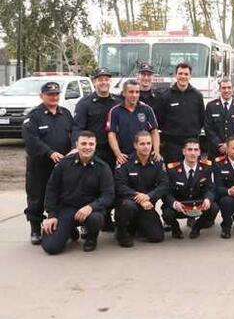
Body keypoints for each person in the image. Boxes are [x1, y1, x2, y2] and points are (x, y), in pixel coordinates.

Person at [40, 131, 115, 254]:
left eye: (91, 144)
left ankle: (91, 238)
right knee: (51, 247)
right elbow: (52, 189)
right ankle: (69, 231)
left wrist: (91, 207)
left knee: (95, 219)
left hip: (91, 211)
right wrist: (51, 215)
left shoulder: (103, 167)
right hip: (67, 208)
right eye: (83, 143)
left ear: (95, 145)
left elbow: (108, 195)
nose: (87, 147)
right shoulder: (64, 164)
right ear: (77, 145)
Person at [22, 81, 74, 245]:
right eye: (50, 94)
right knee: (37, 196)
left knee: (63, 196)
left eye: (56, 94)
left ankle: (66, 227)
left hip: (62, 165)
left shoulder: (65, 113)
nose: (54, 97)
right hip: (40, 166)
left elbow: (73, 134)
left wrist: (74, 149)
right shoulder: (33, 116)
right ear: (42, 96)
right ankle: (36, 229)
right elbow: (31, 140)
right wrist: (49, 152)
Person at [72, 67, 121, 231]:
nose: (104, 82)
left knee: (112, 186)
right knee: (91, 187)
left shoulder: (118, 101)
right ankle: (87, 223)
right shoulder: (84, 104)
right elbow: (77, 128)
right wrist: (76, 148)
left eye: (106, 79)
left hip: (113, 151)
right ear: (94, 82)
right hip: (93, 152)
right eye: (100, 79)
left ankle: (107, 218)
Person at [114, 130, 169, 247]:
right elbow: (119, 186)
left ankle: (138, 226)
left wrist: (148, 196)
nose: (146, 147)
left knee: (157, 237)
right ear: (135, 145)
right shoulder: (125, 162)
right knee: (128, 206)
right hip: (129, 203)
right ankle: (122, 232)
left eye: (149, 143)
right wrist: (138, 196)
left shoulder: (158, 162)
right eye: (142, 144)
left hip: (147, 204)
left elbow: (164, 185)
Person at [162, 138, 219, 239]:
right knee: (167, 213)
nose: (193, 153)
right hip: (180, 206)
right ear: (184, 151)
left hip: (198, 205)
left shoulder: (206, 168)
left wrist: (207, 199)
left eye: (196, 150)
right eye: (189, 150)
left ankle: (197, 227)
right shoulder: (172, 169)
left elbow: (210, 188)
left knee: (214, 207)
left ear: (199, 152)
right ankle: (175, 229)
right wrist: (174, 203)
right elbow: (166, 193)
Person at [156, 62, 205, 164]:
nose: (183, 76)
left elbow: (201, 119)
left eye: (186, 74)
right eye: (180, 73)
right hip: (172, 145)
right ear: (176, 75)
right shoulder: (166, 96)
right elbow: (160, 120)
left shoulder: (197, 96)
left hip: (192, 144)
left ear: (190, 76)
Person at [106, 79, 161, 164]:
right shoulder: (115, 111)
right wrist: (118, 154)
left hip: (144, 157)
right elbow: (111, 134)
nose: (134, 95)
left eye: (137, 92)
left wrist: (156, 151)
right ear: (124, 93)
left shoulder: (147, 109)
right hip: (125, 157)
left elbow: (154, 131)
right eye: (131, 92)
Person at [204, 78, 234, 159]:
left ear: (233, 89)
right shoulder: (211, 106)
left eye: (229, 87)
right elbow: (208, 128)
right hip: (215, 151)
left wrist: (229, 145)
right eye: (224, 88)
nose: (226, 90)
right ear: (220, 89)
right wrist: (219, 145)